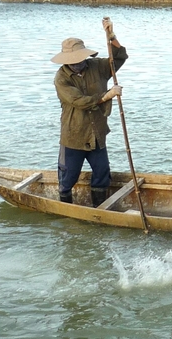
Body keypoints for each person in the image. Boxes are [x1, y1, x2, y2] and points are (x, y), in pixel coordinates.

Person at [51, 18, 127, 207]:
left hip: (97, 132)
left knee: (102, 173)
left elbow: (119, 58)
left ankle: (99, 209)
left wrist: (111, 36)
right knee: (68, 178)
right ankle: (66, 208)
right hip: (74, 134)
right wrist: (106, 96)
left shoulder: (96, 66)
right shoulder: (61, 78)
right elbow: (78, 101)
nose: (76, 64)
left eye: (79, 59)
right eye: (72, 61)